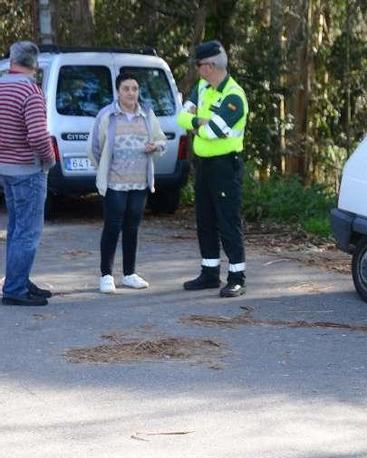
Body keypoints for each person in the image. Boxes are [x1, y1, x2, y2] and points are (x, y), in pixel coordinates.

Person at [176, 40, 249, 297]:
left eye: (199, 65)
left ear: (211, 66)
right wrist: (200, 122)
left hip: (225, 167)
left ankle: (237, 276)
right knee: (204, 220)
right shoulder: (202, 87)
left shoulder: (234, 96)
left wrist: (200, 124)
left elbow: (213, 131)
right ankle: (209, 273)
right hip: (204, 166)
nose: (197, 69)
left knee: (227, 221)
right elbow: (181, 117)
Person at [87, 73, 166, 294]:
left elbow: (161, 140)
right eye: (126, 89)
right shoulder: (107, 115)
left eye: (134, 88)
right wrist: (103, 169)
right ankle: (106, 275)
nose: (131, 93)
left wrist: (155, 146)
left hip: (139, 183)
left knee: (132, 227)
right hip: (114, 183)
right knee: (112, 227)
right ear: (118, 92)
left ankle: (130, 273)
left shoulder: (147, 114)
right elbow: (94, 147)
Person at [0, 41, 55, 306]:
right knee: (28, 231)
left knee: (15, 229)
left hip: (5, 169)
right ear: (34, 64)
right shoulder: (30, 92)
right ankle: (14, 289)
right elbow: (37, 135)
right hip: (28, 170)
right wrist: (50, 159)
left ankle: (18, 279)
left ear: (12, 61)